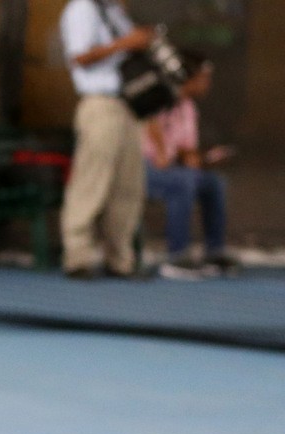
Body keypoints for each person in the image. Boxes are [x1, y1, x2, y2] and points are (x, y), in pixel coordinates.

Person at [58, 0, 153, 279]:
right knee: (91, 181)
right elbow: (79, 57)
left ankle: (120, 260)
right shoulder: (81, 9)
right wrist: (125, 43)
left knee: (128, 186)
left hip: (131, 104)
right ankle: (78, 258)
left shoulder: (114, 11)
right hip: (100, 104)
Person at [142, 51, 236, 280]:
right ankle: (177, 257)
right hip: (140, 168)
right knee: (183, 181)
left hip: (173, 169)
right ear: (186, 77)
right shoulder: (156, 98)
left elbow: (186, 152)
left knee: (213, 183)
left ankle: (214, 252)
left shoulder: (188, 107)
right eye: (203, 78)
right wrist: (164, 152)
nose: (207, 84)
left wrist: (204, 158)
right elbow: (150, 127)